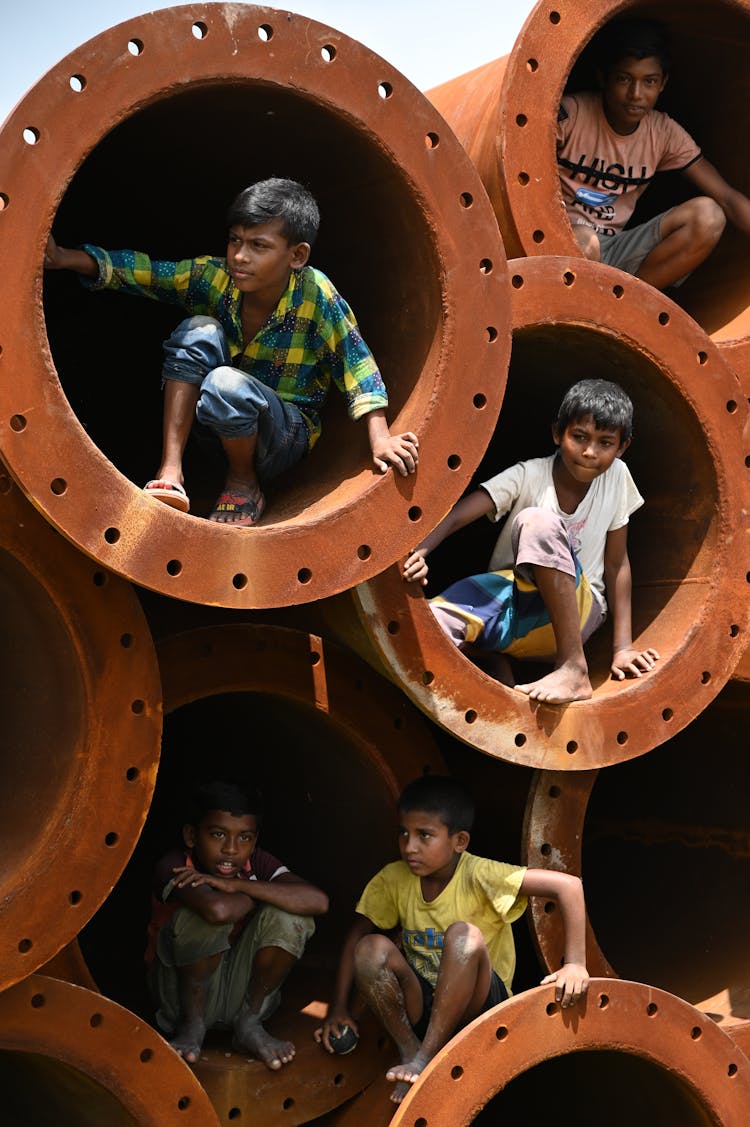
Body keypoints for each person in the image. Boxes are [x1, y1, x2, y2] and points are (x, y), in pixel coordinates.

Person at [43, 177, 419, 526]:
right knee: (198, 331)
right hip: (214, 426)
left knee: (225, 384)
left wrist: (380, 437)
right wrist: (64, 258)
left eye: (259, 246)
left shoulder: (315, 293)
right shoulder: (216, 277)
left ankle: (243, 482)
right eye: (235, 240)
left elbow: (354, 360)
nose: (239, 256)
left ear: (297, 256)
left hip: (283, 436)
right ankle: (170, 472)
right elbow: (149, 274)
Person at [315, 775, 589, 1105]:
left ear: (459, 841)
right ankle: (411, 1049)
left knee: (463, 936)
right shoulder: (394, 878)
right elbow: (356, 934)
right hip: (424, 1005)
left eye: (424, 836)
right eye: (403, 833)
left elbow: (568, 886)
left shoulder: (480, 874)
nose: (409, 846)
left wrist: (575, 964)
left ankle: (423, 1059)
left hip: (479, 1003)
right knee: (370, 948)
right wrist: (339, 1008)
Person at [402, 378, 659, 705]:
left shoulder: (617, 477)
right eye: (579, 437)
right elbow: (457, 515)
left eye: (605, 442)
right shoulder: (529, 475)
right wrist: (421, 552)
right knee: (430, 625)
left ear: (622, 447)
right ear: (557, 433)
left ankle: (573, 668)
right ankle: (492, 657)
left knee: (536, 522)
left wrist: (623, 648)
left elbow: (616, 563)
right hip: (516, 609)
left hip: (578, 612)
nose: (590, 451)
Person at [145, 779, 328, 1069]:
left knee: (292, 916)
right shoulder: (176, 864)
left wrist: (243, 887)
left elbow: (317, 901)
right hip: (180, 997)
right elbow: (218, 910)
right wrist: (263, 892)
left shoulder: (258, 863)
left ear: (255, 841)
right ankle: (193, 1026)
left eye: (245, 838)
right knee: (201, 918)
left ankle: (250, 1024)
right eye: (218, 834)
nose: (231, 849)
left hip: (241, 994)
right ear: (191, 835)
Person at [556, 18, 750, 291]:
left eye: (649, 82)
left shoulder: (663, 133)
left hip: (619, 248)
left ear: (662, 84)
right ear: (604, 77)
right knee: (587, 241)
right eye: (624, 79)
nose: (636, 94)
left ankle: (629, 301)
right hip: (562, 242)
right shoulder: (571, 115)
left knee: (709, 215)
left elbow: (727, 197)